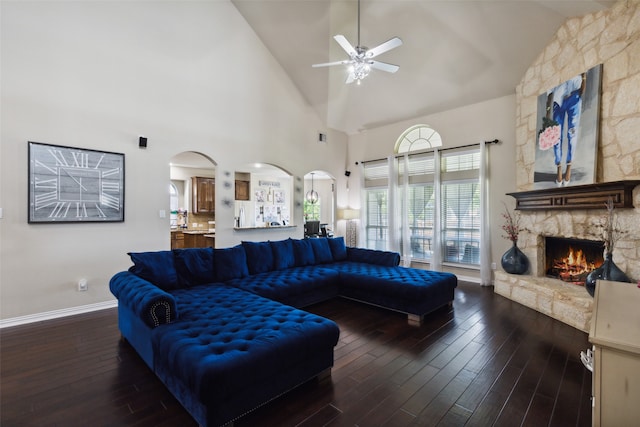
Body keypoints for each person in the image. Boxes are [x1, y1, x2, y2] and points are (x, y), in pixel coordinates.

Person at [544, 72, 587, 186]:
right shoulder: (554, 77)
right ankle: (559, 167)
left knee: (572, 135)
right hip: (558, 103)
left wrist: (584, 77)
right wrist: (548, 113)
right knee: (557, 137)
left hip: (574, 100)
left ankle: (568, 166)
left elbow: (582, 91)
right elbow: (549, 96)